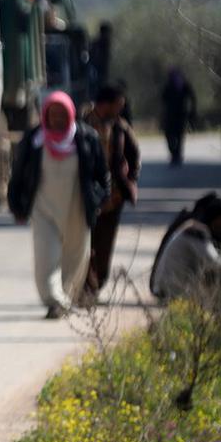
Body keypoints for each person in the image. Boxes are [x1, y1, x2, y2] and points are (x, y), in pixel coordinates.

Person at [8, 91, 110, 318]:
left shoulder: (87, 139)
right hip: (43, 210)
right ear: (45, 115)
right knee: (46, 258)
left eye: (61, 114)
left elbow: (102, 177)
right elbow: (18, 176)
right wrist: (16, 205)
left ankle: (64, 299)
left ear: (70, 114)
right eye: (52, 114)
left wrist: (99, 199)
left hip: (77, 209)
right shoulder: (34, 141)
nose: (57, 119)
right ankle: (54, 300)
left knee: (74, 259)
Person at [84, 84, 140, 295]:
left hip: (113, 199)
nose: (120, 110)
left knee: (104, 247)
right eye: (118, 106)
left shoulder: (121, 127)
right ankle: (84, 286)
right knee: (84, 246)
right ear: (104, 104)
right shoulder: (83, 124)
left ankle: (97, 285)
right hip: (87, 198)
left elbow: (135, 155)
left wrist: (131, 181)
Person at [151, 196, 221, 300]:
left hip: (167, 287)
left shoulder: (195, 228)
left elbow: (213, 255)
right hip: (171, 291)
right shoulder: (197, 233)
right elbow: (213, 262)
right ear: (218, 220)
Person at [160, 66, 197, 166]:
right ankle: (176, 155)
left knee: (175, 136)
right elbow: (163, 101)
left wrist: (192, 112)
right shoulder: (171, 86)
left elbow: (192, 98)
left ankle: (176, 155)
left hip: (177, 115)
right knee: (175, 136)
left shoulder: (182, 85)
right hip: (176, 115)